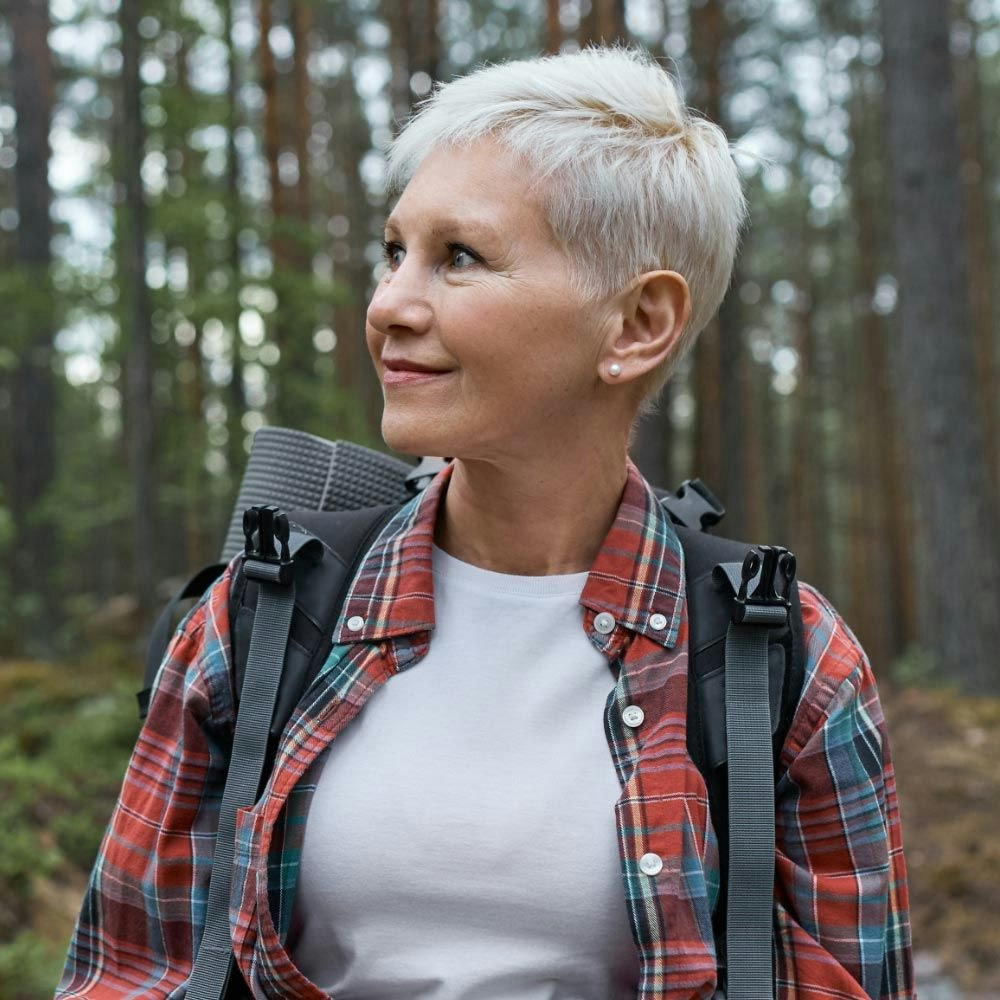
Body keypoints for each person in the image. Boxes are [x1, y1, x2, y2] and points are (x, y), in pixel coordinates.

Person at [56, 44, 913, 999]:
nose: (388, 306)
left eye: (458, 257)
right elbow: (129, 975)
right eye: (394, 252)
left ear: (637, 325)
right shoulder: (259, 619)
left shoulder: (782, 663)